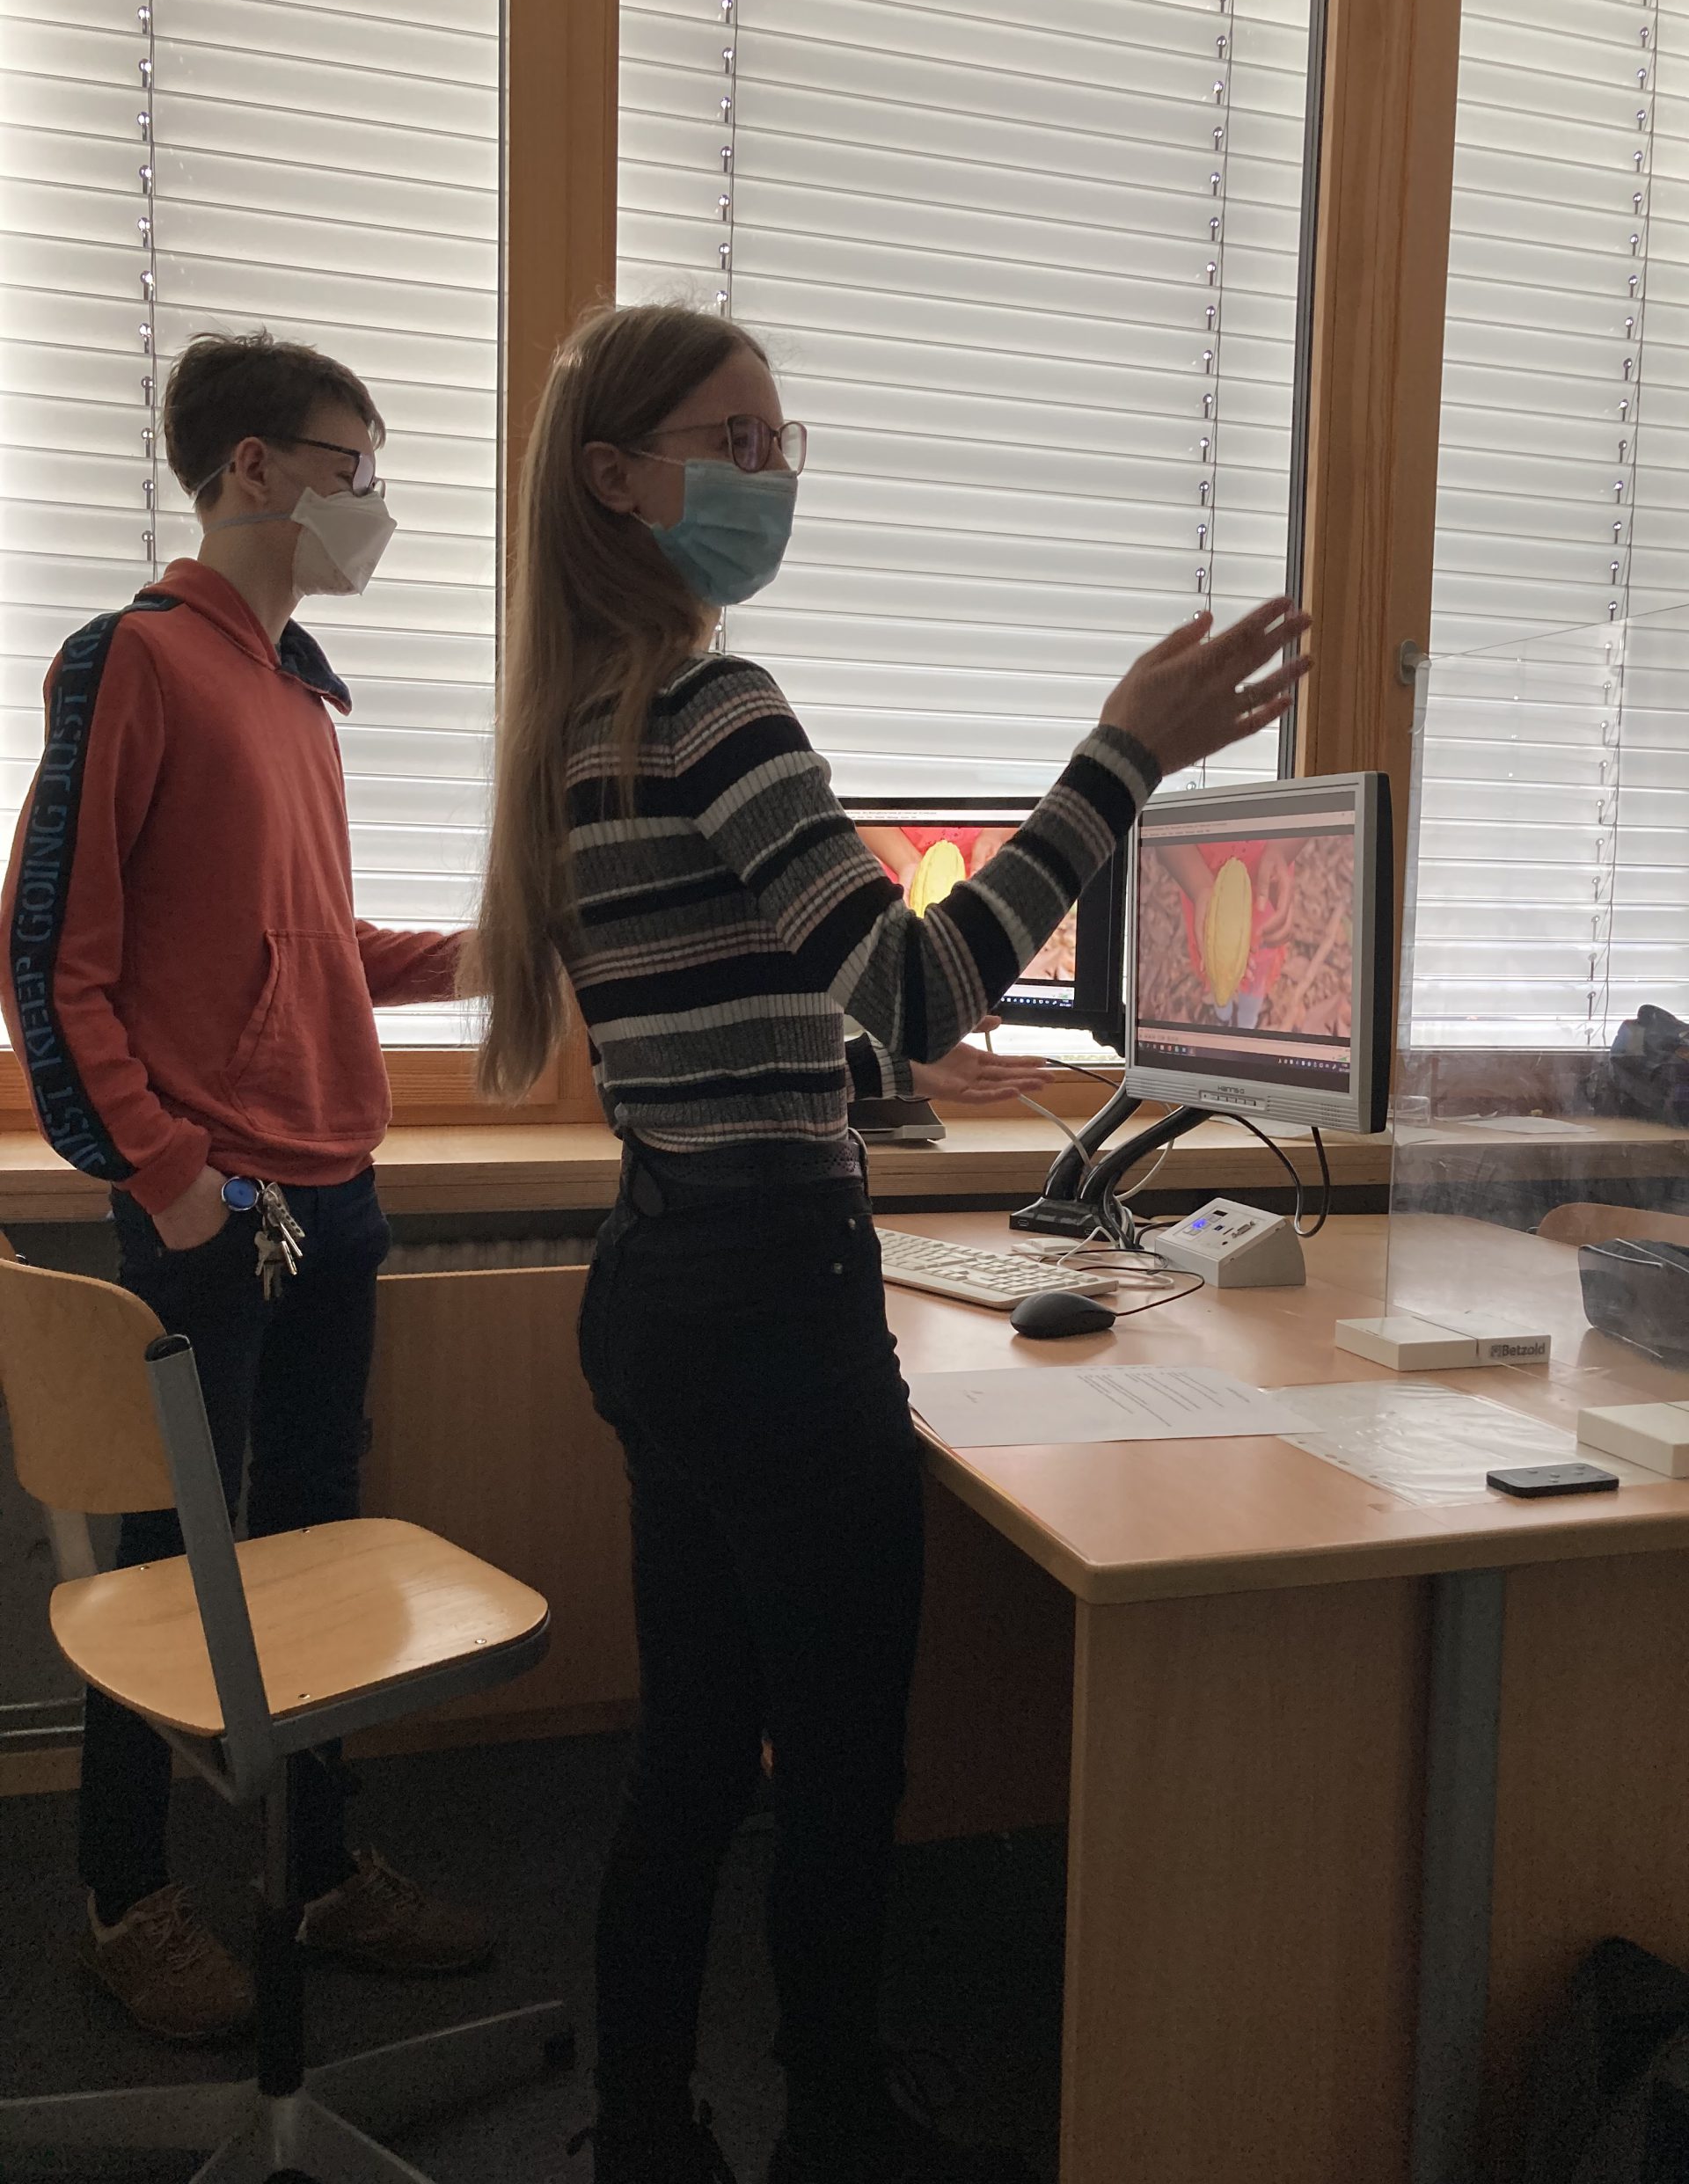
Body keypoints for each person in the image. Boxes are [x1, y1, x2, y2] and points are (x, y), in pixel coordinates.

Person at [472, 301, 1308, 2184]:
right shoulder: (714, 703)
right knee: (842, 1763)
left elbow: (735, 998)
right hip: (769, 1307)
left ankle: (650, 2132)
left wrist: (863, 1059)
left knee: (695, 1754)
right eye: (735, 440)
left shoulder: (588, 721)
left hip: (666, 1279)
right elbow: (917, 984)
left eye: (783, 441)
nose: (774, 474)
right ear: (618, 479)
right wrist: (1122, 757)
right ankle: (835, 2125)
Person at [0, 331, 493, 2044]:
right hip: (215, 1207)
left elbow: (312, 945)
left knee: (316, 1542)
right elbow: (50, 958)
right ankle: (123, 1900)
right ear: (254, 469)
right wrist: (170, 1179)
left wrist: (490, 949)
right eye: (354, 465)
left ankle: (320, 1866)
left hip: (337, 1183)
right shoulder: (132, 659)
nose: (374, 501)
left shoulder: (298, 696)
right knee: (170, 1562)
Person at [1162, 835, 1307, 1027]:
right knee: (1215, 964)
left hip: (1265, 885)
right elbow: (1165, 838)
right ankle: (1223, 1014)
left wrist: (1280, 850)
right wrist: (1199, 887)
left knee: (1257, 968)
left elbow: (1309, 820)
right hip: (1204, 887)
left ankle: (1247, 1020)